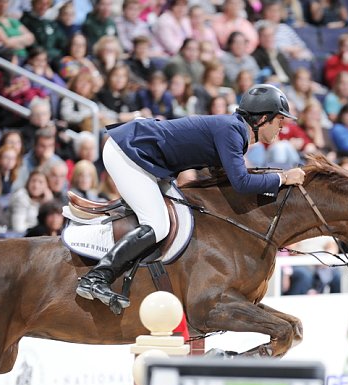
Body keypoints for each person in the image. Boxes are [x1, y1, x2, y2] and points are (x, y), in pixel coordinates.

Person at [76, 83, 306, 310]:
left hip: (149, 160)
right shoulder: (232, 131)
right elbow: (242, 182)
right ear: (262, 118)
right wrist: (283, 178)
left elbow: (225, 180)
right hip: (129, 152)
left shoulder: (235, 131)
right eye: (279, 120)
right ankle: (96, 277)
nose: (282, 127)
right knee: (158, 225)